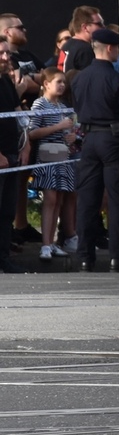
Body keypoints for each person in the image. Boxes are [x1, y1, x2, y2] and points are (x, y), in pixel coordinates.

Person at [71, 28, 119, 272]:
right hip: (112, 141)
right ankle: (118, 258)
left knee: (87, 200)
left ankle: (84, 257)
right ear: (110, 48)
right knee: (118, 200)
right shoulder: (118, 80)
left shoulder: (79, 78)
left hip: (89, 141)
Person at [26, 68, 77, 259]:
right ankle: (45, 244)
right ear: (46, 84)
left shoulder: (61, 105)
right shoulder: (40, 104)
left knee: (59, 200)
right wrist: (59, 127)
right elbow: (32, 132)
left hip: (63, 156)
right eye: (58, 81)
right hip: (48, 156)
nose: (62, 85)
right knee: (50, 199)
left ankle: (52, 242)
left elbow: (66, 131)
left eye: (64, 82)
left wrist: (71, 136)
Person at [0, 39, 32, 272]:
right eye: (1, 53)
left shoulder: (5, 80)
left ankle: (3, 257)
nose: (5, 58)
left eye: (6, 54)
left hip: (13, 153)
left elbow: (18, 113)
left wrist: (26, 143)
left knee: (7, 209)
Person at [56, 6, 105, 74]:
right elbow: (88, 79)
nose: (103, 27)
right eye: (99, 24)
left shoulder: (67, 45)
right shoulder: (85, 50)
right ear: (85, 27)